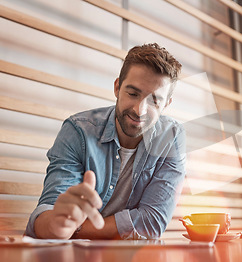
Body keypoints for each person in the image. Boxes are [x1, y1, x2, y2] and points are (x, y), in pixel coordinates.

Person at [24, 43, 186, 240]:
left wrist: (77, 229)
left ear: (166, 104)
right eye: (133, 93)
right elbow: (50, 213)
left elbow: (152, 222)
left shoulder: (171, 138)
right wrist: (59, 225)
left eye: (154, 101)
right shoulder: (78, 131)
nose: (139, 110)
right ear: (117, 87)